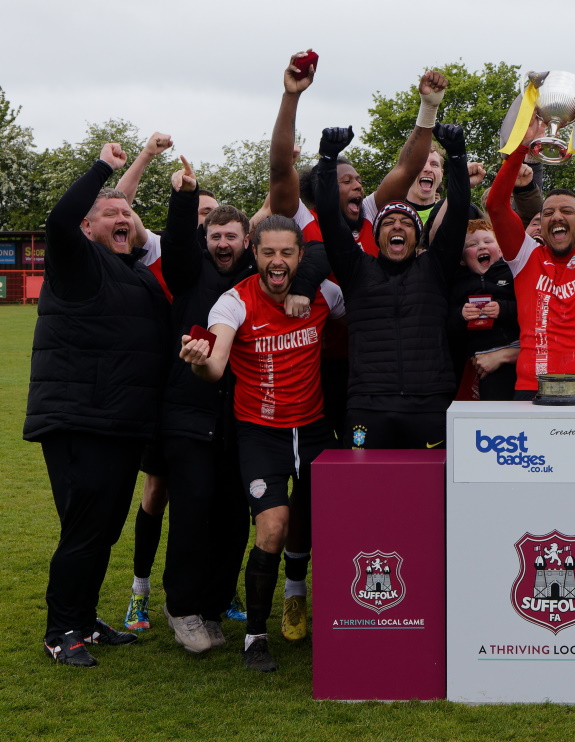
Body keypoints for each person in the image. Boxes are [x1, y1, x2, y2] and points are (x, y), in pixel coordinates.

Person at [26, 143, 171, 666]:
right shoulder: (77, 260)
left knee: (104, 528)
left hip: (122, 420)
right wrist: (105, 168)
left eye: (127, 215)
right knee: (86, 528)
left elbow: (116, 213)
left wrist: (130, 184)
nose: (122, 218)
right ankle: (61, 629)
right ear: (88, 228)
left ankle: (84, 618)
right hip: (78, 417)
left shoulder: (129, 268)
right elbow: (63, 217)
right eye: (108, 215)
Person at [179, 216, 344, 672]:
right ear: (255, 253)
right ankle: (255, 635)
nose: (277, 261)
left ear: (299, 257)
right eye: (268, 252)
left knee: (311, 525)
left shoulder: (324, 295)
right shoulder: (233, 302)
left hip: (313, 429)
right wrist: (199, 362)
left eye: (286, 253)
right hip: (260, 432)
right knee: (272, 527)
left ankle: (296, 595)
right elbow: (215, 366)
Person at [156, 156, 258, 653]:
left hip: (239, 418)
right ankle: (183, 608)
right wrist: (184, 196)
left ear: (245, 242)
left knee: (233, 517)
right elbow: (174, 241)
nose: (222, 244)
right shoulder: (187, 270)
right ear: (207, 240)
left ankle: (214, 607)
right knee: (193, 512)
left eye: (231, 237)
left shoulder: (258, 280)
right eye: (215, 235)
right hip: (187, 416)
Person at [311, 123, 468, 447]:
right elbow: (328, 215)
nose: (398, 227)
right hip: (368, 405)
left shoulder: (435, 267)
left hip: (429, 404)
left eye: (406, 223)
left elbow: (458, 213)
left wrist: (457, 155)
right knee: (366, 494)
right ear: (378, 236)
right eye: (389, 223)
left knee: (430, 494)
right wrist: (327, 159)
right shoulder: (356, 269)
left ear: (416, 234)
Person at [485, 104, 575, 399]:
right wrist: (521, 148)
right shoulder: (525, 257)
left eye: (566, 211)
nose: (556, 217)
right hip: (531, 388)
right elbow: (496, 205)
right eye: (547, 212)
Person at [448, 220, 520, 401]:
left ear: (501, 249)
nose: (481, 247)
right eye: (472, 244)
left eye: (488, 242)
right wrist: (461, 315)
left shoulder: (512, 274)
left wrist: (503, 309)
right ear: (462, 259)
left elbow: (530, 310)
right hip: (481, 362)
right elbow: (448, 325)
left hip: (516, 351)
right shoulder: (458, 284)